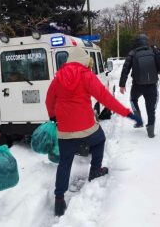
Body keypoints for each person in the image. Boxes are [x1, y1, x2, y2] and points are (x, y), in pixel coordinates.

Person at [45, 43, 142, 217]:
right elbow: (106, 98)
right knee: (100, 140)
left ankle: (59, 199)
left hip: (65, 130)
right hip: (86, 127)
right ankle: (95, 170)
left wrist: (53, 116)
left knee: (65, 163)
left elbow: (48, 100)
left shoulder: (58, 77)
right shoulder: (86, 75)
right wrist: (127, 113)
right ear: (83, 60)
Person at [119, 34, 159, 138]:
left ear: (136, 42)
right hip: (152, 85)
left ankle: (139, 121)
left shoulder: (132, 53)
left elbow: (125, 70)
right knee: (151, 109)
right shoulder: (153, 51)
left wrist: (122, 85)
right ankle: (151, 132)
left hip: (138, 85)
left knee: (133, 100)